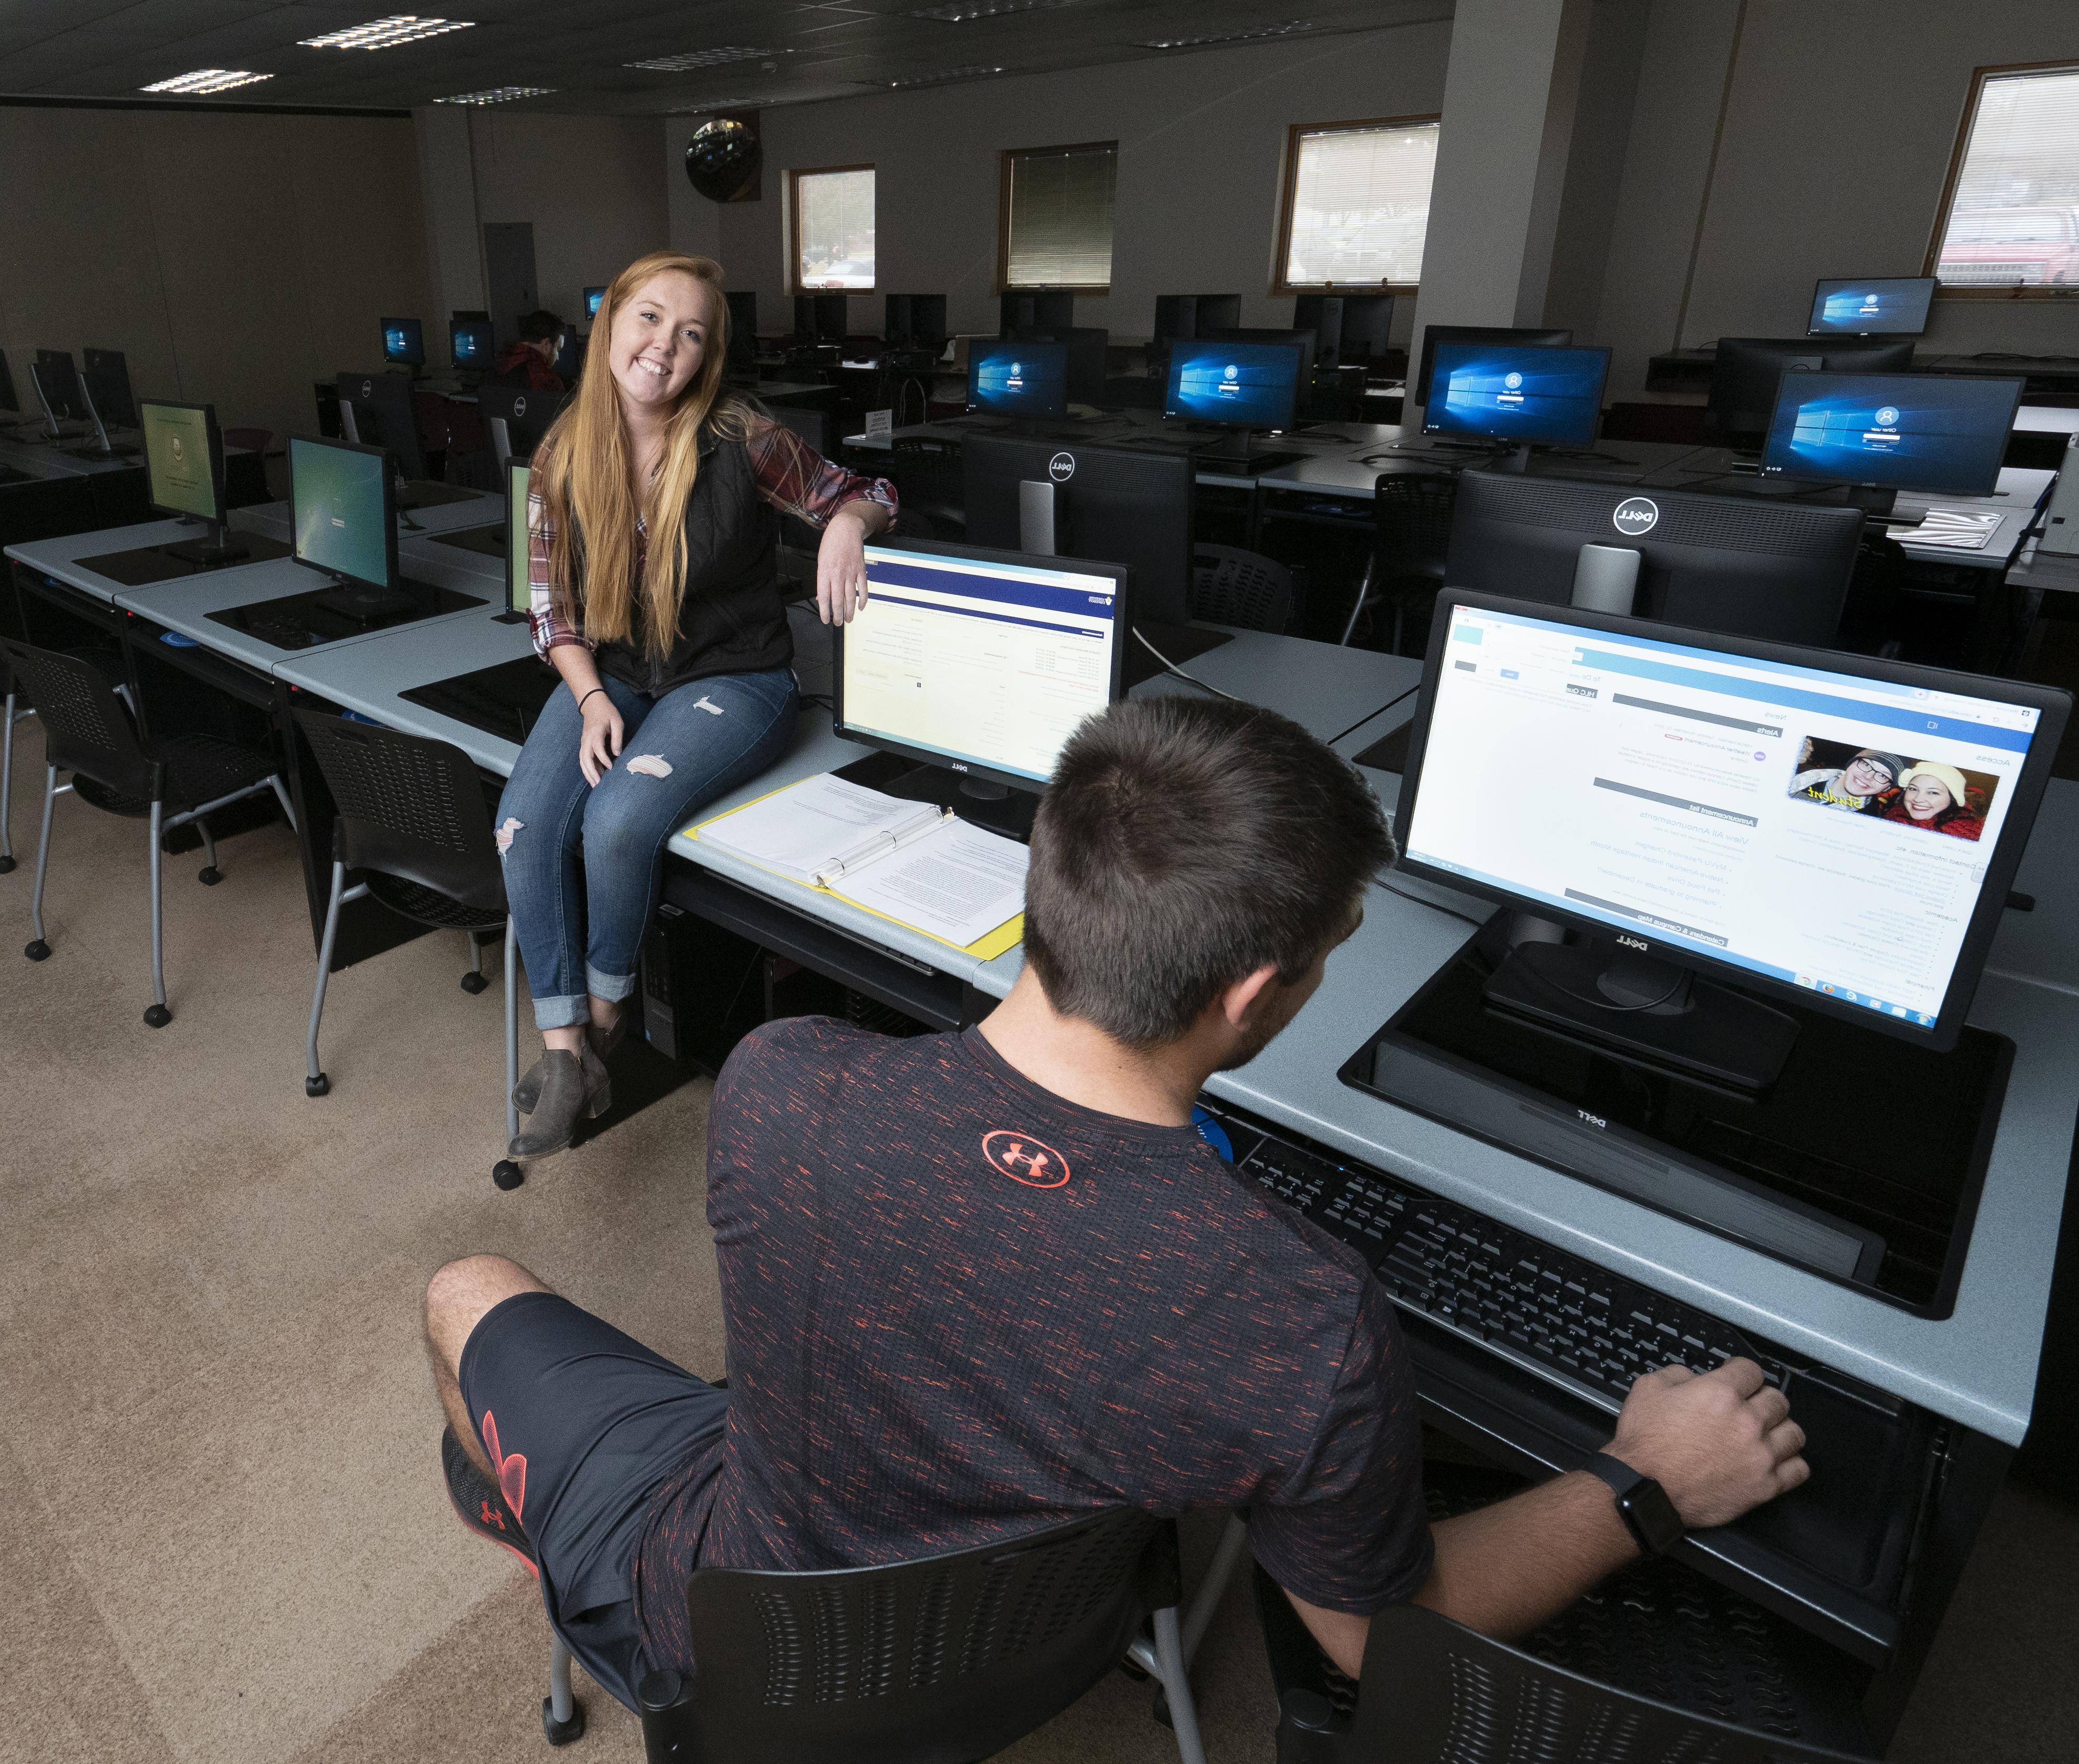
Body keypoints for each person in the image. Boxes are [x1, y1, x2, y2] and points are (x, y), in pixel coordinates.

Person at [425, 696, 1808, 1708]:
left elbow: (984, 1191)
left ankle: (560, 1530)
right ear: (1254, 992)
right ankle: (570, 1541)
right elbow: (1375, 1633)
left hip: (730, 1611)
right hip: (1041, 1645)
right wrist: (1644, 1482)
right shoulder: (1298, 1315)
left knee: (463, 1285)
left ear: (1044, 879)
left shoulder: (782, 1082)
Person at [495, 251, 895, 1157]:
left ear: (706, 356)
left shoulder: (744, 437)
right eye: (647, 318)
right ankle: (566, 1058)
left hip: (735, 675)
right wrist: (591, 695)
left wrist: (843, 525)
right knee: (522, 823)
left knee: (619, 820)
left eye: (691, 333)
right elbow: (550, 608)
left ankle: (600, 1027)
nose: (663, 346)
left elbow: (870, 491)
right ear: (610, 328)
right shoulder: (562, 450)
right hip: (619, 669)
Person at [1883, 761, 1985, 841]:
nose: (1918, 799)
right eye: (1913, 789)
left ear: (1952, 798)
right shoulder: (1893, 815)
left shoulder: (1970, 835)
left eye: (1933, 793)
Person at [1789, 747, 1903, 813]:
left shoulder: (1869, 818)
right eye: (1867, 765)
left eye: (1883, 776)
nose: (1868, 777)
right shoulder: (1795, 773)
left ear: (1887, 787)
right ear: (1851, 763)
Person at [491, 309, 570, 393]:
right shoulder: (547, 380)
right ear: (546, 344)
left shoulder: (498, 364)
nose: (557, 357)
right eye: (557, 349)